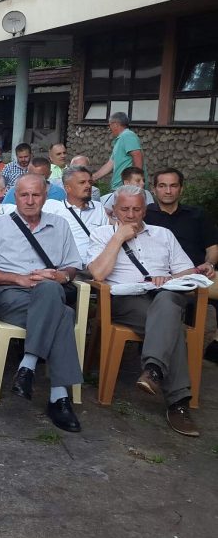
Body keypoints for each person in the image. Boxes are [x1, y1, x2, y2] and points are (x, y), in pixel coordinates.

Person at [87, 186, 205, 437]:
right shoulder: (101, 234)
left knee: (167, 302)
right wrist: (118, 238)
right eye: (124, 209)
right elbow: (98, 273)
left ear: (145, 210)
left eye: (136, 209)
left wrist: (169, 278)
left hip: (164, 296)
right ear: (113, 210)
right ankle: (178, 403)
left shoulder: (163, 234)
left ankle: (153, 371)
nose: (130, 215)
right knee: (171, 324)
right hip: (125, 301)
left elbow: (186, 271)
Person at [0, 174, 84, 432]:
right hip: (11, 295)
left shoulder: (60, 225)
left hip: (48, 293)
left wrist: (62, 276)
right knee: (63, 314)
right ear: (15, 197)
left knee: (52, 292)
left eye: (36, 195)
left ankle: (28, 366)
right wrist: (18, 279)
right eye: (24, 195)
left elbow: (72, 266)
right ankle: (59, 397)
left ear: (45, 197)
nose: (30, 201)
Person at [144, 167, 218, 359]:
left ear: (181, 189)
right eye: (162, 186)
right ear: (154, 189)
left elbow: (212, 247)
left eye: (173, 186)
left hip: (197, 275)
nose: (168, 191)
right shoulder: (144, 215)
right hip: (159, 278)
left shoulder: (197, 215)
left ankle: (214, 346)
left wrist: (209, 264)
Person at [42, 166, 109, 265]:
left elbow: (106, 239)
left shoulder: (98, 208)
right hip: (68, 267)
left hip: (95, 266)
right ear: (67, 188)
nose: (88, 186)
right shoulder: (54, 208)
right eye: (82, 182)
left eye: (90, 182)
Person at [93, 111, 144, 190]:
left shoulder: (127, 135)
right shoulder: (120, 139)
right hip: (119, 188)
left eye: (109, 125)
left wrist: (137, 183)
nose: (109, 128)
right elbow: (110, 164)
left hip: (128, 189)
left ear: (115, 124)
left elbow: (137, 155)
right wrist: (93, 177)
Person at [2, 157, 67, 205]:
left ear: (49, 174)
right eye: (33, 175)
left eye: (40, 176)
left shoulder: (59, 193)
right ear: (27, 173)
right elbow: (5, 212)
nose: (36, 180)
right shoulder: (15, 191)